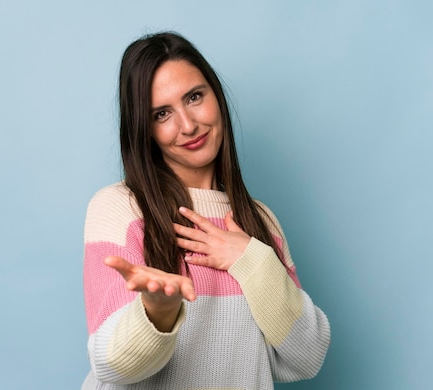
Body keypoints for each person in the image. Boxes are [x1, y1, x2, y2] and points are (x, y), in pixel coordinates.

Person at [81, 32, 330, 390]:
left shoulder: (261, 222)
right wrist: (158, 314)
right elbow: (111, 366)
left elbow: (306, 358)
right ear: (144, 130)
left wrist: (253, 261)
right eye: (162, 113)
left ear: (216, 95)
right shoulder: (121, 208)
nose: (188, 125)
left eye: (194, 97)